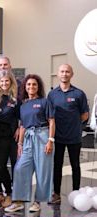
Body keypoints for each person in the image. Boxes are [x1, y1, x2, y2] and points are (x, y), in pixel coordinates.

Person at [5, 74, 55, 213]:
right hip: (27, 139)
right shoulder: (23, 105)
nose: (31, 87)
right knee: (20, 168)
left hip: (43, 136)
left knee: (42, 171)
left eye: (34, 84)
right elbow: (22, 126)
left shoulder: (45, 102)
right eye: (28, 85)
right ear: (25, 87)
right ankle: (19, 201)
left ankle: (37, 202)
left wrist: (50, 140)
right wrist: (20, 144)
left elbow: (51, 121)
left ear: (38, 87)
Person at [48, 64, 89, 204]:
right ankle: (56, 194)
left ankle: (76, 192)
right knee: (57, 166)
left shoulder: (79, 93)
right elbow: (49, 116)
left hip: (74, 138)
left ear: (72, 74)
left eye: (67, 72)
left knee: (75, 165)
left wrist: (74, 124)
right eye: (62, 71)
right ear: (58, 74)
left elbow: (85, 115)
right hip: (57, 138)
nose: (64, 74)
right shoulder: (52, 95)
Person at [0, 70, 19, 209]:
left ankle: (10, 192)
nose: (4, 83)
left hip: (8, 136)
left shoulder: (15, 99)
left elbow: (20, 117)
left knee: (1, 166)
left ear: (11, 82)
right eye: (2, 81)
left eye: (7, 81)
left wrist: (19, 127)